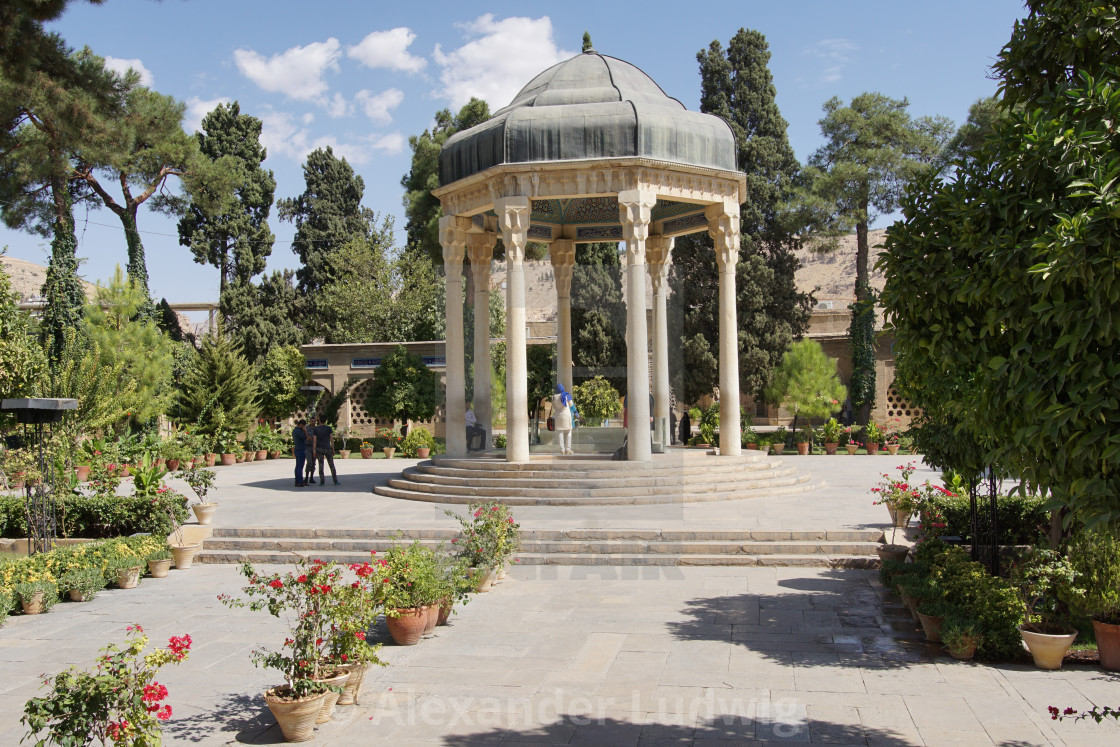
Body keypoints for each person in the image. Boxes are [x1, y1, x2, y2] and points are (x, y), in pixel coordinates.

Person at [311, 417, 339, 485]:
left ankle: (322, 481)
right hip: (327, 448)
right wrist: (333, 448)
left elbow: (314, 440)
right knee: (331, 464)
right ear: (325, 421)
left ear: (319, 421)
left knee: (321, 465)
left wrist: (314, 450)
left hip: (319, 448)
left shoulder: (316, 429)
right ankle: (335, 480)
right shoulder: (328, 428)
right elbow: (331, 439)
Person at [552, 384, 574, 455]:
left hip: (558, 416)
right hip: (566, 415)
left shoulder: (553, 397)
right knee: (568, 432)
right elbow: (571, 404)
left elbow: (553, 407)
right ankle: (568, 449)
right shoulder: (566, 395)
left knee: (560, 432)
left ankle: (562, 449)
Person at [292, 419, 310, 487]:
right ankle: (299, 481)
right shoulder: (299, 431)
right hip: (301, 449)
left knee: (297, 466)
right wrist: (305, 431)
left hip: (297, 449)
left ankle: (297, 480)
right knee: (300, 466)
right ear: (301, 425)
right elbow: (306, 438)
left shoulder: (294, 430)